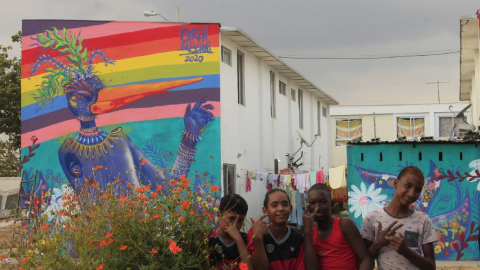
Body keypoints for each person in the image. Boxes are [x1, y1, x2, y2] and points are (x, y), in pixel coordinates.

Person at [360, 166, 437, 270]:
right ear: (396, 183)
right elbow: (363, 260)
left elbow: (431, 266)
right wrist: (377, 244)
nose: (411, 193)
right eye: (408, 186)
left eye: (417, 190)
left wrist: (407, 252)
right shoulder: (373, 217)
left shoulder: (423, 220)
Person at [303, 183, 374, 270]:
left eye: (323, 202)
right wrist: (307, 232)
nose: (318, 208)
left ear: (332, 204)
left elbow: (366, 259)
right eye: (313, 203)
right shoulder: (311, 236)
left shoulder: (344, 225)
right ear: (308, 206)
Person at [247, 188, 305, 270]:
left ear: (291, 208)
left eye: (285, 204)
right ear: (265, 210)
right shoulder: (255, 233)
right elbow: (260, 268)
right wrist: (258, 239)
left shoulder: (298, 238)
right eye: (274, 205)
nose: (281, 208)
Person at [209, 194, 253, 270]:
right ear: (219, 215)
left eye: (240, 220)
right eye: (231, 219)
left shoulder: (246, 239)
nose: (235, 225)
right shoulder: (210, 238)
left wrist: (238, 239)